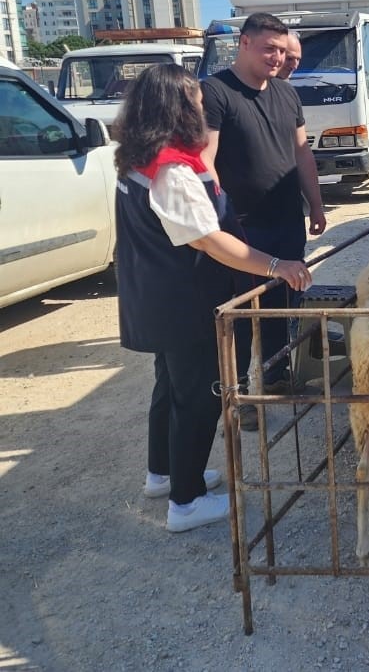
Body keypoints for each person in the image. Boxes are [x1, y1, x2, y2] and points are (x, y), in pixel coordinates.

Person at [113, 64, 312, 533]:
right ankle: (186, 503)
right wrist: (275, 265)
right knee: (199, 398)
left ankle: (162, 473)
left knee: (170, 386)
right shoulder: (173, 171)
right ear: (176, 108)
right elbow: (209, 239)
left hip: (157, 295)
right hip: (186, 301)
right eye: (195, 100)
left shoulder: (139, 158)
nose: (203, 105)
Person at [201, 12, 326, 431]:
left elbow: (302, 153)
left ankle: (273, 376)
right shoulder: (216, 92)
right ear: (245, 44)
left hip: (286, 221)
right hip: (241, 228)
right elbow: (206, 162)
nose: (276, 58)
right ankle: (237, 398)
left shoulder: (286, 95)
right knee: (238, 317)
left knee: (279, 307)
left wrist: (317, 203)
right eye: (268, 48)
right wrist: (220, 221)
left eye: (281, 49)